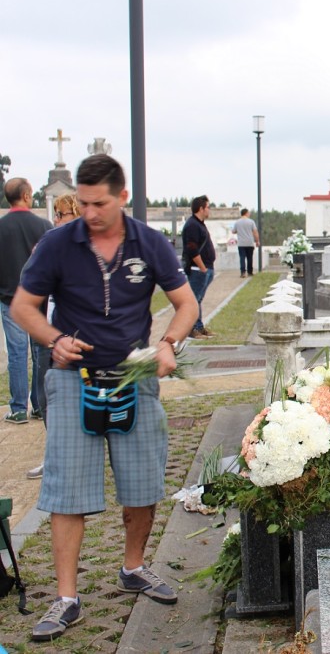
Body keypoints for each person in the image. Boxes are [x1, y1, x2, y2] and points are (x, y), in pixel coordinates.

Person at [11, 154, 198, 642]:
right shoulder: (57, 243)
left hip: (135, 375)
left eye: (100, 203)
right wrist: (53, 339)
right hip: (74, 378)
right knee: (66, 490)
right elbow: (23, 306)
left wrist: (168, 343)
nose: (90, 212)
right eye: (84, 201)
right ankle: (67, 597)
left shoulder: (149, 242)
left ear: (123, 196)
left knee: (142, 483)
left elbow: (186, 303)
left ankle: (133, 568)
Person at [25, 194, 81, 480]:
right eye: (56, 215)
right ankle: (56, 456)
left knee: (56, 398)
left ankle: (62, 459)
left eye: (61, 214)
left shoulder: (78, 249)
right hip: (48, 334)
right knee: (43, 398)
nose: (56, 220)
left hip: (69, 338)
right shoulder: (51, 246)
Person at [0, 177, 52, 424]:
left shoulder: (1, 227)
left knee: (17, 353)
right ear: (28, 195)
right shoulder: (44, 226)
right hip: (39, 298)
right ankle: (40, 405)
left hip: (10, 297)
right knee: (40, 352)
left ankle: (18, 408)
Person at [181, 195, 216, 338]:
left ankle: (199, 326)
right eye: (208, 207)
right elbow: (192, 249)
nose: (209, 210)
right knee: (194, 300)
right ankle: (192, 329)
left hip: (204, 268)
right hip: (197, 269)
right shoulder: (192, 225)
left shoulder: (199, 224)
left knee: (198, 299)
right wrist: (202, 268)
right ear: (201, 208)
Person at [232, 207, 259, 278]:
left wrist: (239, 231)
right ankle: (250, 272)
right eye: (249, 213)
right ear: (246, 213)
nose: (249, 214)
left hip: (241, 243)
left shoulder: (237, 222)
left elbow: (233, 231)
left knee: (242, 258)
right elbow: (255, 232)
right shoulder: (251, 222)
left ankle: (243, 272)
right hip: (249, 242)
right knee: (250, 258)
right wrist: (257, 241)